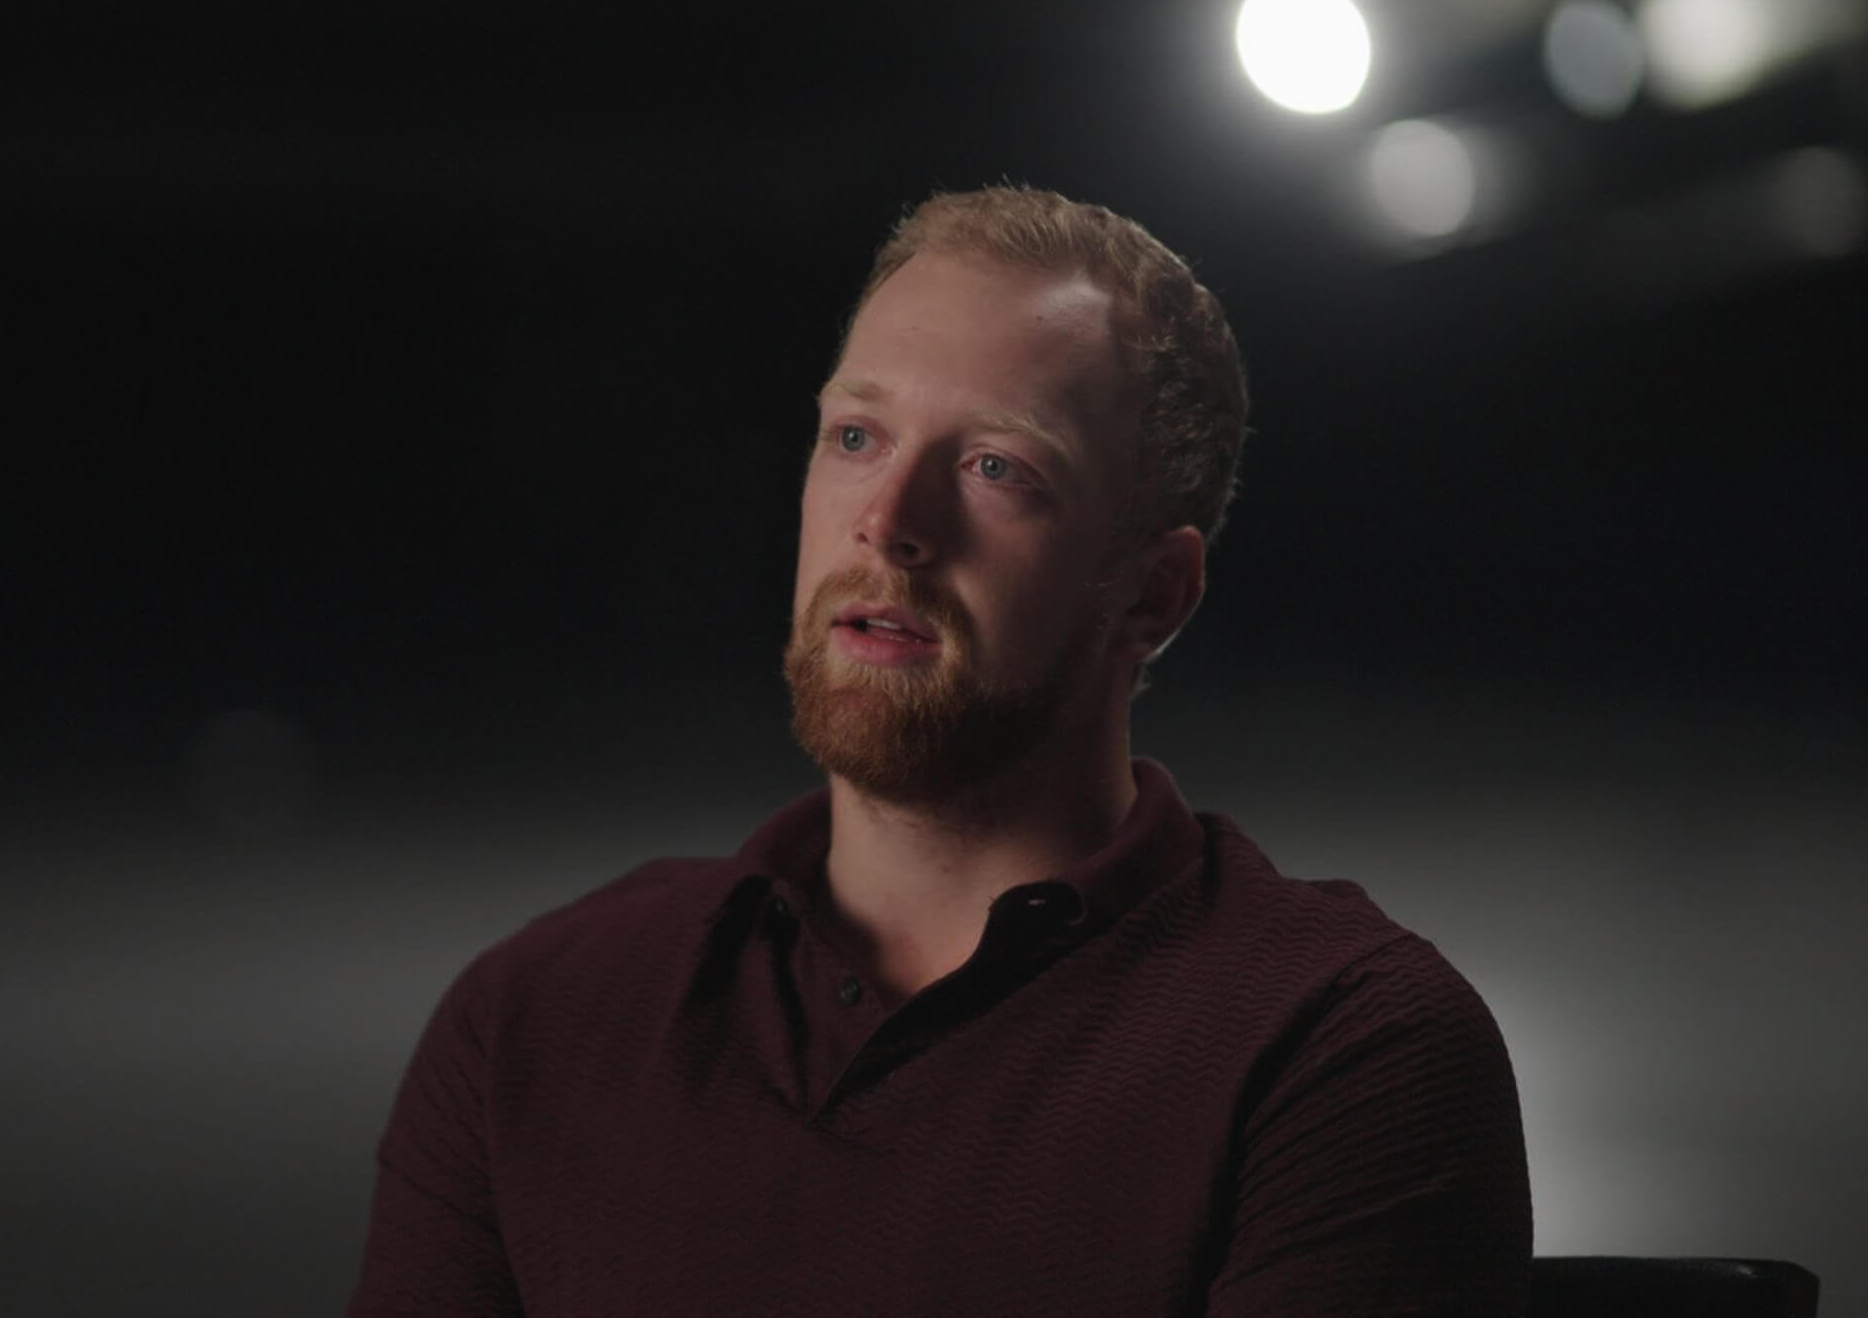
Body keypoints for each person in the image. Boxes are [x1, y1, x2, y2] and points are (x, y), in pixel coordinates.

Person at [345, 186, 1531, 1316]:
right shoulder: (536, 1018)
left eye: (995, 468)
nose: (889, 522)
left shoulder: (1338, 1047)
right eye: (856, 435)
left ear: (1152, 595)